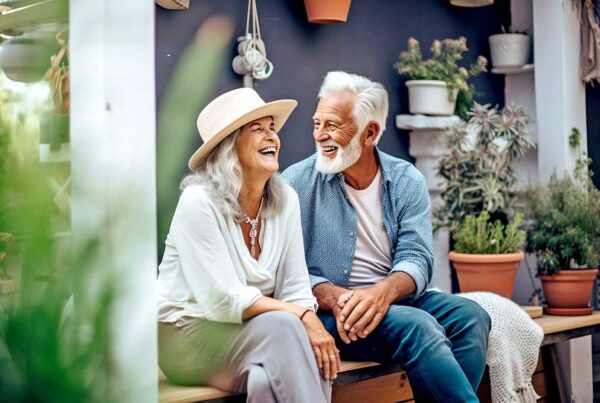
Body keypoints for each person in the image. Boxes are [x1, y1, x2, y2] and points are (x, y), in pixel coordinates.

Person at [282, 71, 491, 402]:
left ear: (370, 133)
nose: (320, 135)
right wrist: (335, 297)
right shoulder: (294, 183)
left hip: (393, 299)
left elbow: (418, 257)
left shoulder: (406, 179)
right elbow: (282, 267)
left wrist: (381, 293)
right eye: (316, 123)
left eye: (332, 125)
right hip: (333, 312)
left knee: (471, 317)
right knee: (418, 327)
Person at [157, 88, 334, 403]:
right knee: (287, 326)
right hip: (186, 335)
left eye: (272, 128)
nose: (272, 137)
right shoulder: (198, 201)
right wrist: (303, 317)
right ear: (229, 146)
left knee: (266, 379)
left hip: (252, 332)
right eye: (257, 129)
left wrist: (305, 316)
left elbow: (296, 290)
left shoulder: (286, 201)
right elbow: (221, 299)